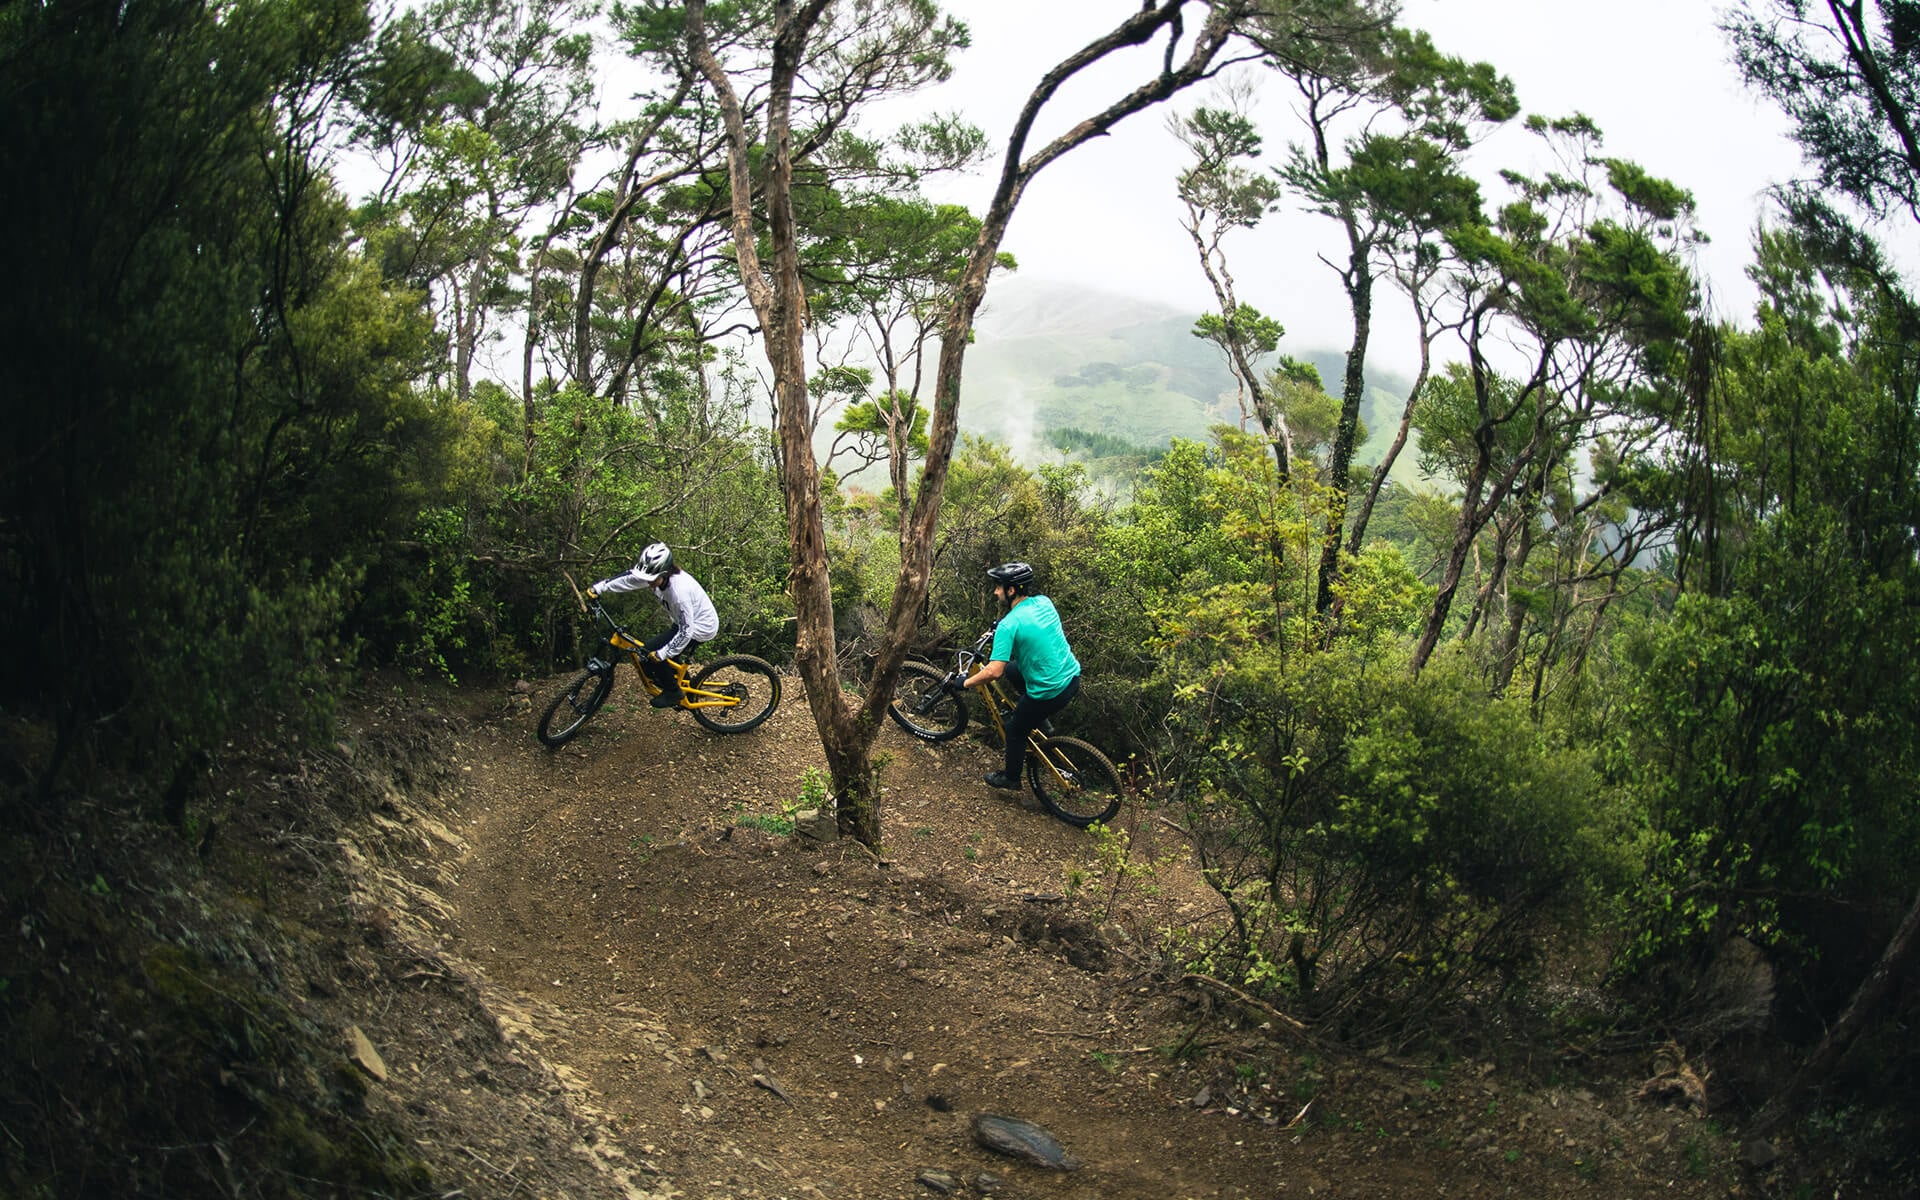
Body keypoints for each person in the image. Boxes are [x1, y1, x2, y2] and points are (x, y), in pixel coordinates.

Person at [958, 561, 1081, 790]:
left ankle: (1011, 778)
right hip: (1071, 677)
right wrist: (1000, 627)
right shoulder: (1044, 602)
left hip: (1049, 692)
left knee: (1015, 730)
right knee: (1015, 669)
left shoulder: (1009, 624)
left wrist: (964, 683)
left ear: (1011, 589)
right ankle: (1040, 719)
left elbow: (994, 671)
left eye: (998, 587)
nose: (996, 592)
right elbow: (1031, 627)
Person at [586, 543, 718, 708]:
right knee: (659, 658)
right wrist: (600, 587)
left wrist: (663, 653)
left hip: (701, 627)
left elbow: (686, 630)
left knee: (651, 652)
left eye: (651, 579)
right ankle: (686, 691)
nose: (648, 582)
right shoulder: (658, 577)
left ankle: (673, 692)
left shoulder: (679, 592)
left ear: (664, 573)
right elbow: (632, 579)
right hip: (683, 622)